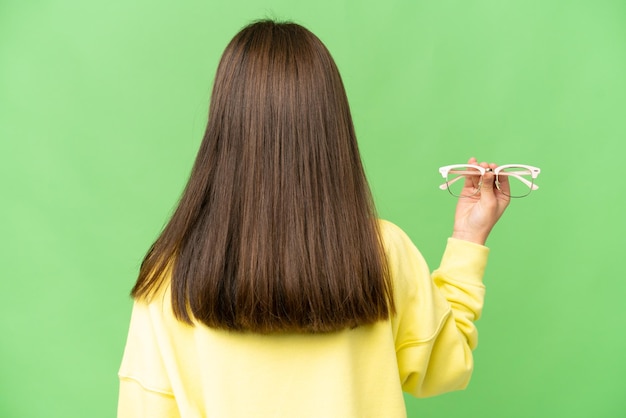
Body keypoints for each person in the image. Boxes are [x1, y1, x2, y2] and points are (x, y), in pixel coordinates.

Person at [117, 19, 510, 418]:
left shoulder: (168, 276)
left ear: (224, 127)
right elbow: (446, 369)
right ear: (332, 129)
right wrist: (468, 237)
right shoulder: (383, 253)